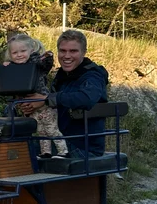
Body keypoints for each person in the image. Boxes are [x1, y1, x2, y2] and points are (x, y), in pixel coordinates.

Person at [18, 29, 109, 157]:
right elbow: (53, 104)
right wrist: (31, 106)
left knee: (18, 152)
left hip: (82, 147)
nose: (66, 56)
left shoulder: (93, 76)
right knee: (11, 144)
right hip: (60, 140)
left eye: (73, 51)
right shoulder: (62, 76)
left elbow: (86, 98)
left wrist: (46, 99)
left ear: (84, 52)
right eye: (62, 51)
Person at [3, 34, 68, 157]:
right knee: (40, 131)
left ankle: (63, 151)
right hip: (30, 106)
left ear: (31, 50)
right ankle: (46, 152)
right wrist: (7, 66)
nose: (19, 55)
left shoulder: (36, 63)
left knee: (51, 129)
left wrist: (47, 57)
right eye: (15, 53)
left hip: (45, 104)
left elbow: (45, 64)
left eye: (23, 51)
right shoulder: (14, 68)